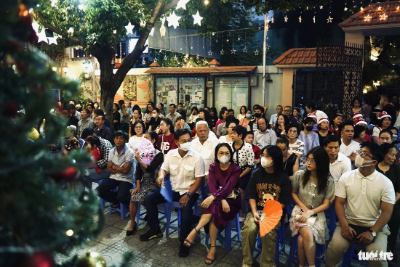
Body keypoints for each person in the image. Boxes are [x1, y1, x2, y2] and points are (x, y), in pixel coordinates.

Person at [326, 142, 396, 267]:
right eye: (360, 152)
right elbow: (339, 203)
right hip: (349, 223)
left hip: (374, 226)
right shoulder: (346, 177)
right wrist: (344, 225)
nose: (360, 156)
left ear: (374, 162)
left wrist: (372, 232)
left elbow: (387, 211)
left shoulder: (385, 183)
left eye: (365, 154)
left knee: (377, 258)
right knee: (333, 250)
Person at [140, 129, 205, 259]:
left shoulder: (197, 157)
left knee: (186, 211)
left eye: (189, 140)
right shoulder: (171, 154)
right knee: (149, 198)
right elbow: (164, 169)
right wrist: (160, 176)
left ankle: (184, 241)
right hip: (173, 189)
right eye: (183, 141)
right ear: (176, 142)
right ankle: (155, 229)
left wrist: (188, 195)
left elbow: (199, 180)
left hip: (189, 191)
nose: (187, 143)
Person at [182, 143, 241, 264]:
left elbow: (228, 187)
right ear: (216, 154)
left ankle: (195, 230)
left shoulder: (235, 169)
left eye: (226, 153)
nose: (224, 155)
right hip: (218, 199)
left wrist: (215, 197)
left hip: (232, 200)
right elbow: (212, 185)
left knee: (213, 205)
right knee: (215, 209)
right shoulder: (213, 167)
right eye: (221, 153)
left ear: (230, 155)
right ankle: (212, 248)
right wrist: (219, 198)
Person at [242, 145, 291, 267]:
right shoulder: (256, 174)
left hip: (273, 213)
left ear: (275, 159)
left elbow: (283, 201)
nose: (263, 158)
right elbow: (251, 195)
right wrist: (254, 212)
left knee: (267, 231)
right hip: (256, 210)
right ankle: (247, 262)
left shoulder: (283, 178)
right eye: (262, 155)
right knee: (249, 229)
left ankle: (267, 263)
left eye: (267, 156)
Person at [289, 147, 334, 267]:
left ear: (321, 162)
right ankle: (312, 265)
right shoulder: (300, 174)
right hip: (299, 210)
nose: (308, 163)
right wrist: (305, 209)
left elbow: (326, 204)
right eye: (307, 159)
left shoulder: (328, 180)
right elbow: (293, 193)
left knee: (301, 240)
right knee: (307, 233)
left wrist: (310, 212)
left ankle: (301, 265)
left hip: (317, 213)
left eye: (312, 160)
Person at [126, 132, 163, 236]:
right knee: (134, 195)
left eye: (147, 138)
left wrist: (139, 160)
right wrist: (137, 186)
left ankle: (152, 221)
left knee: (147, 198)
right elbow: (138, 172)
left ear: (153, 141)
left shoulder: (158, 154)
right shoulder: (141, 153)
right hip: (144, 182)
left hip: (155, 183)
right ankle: (132, 222)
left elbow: (150, 170)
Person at [376, 143, 400, 265]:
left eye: (395, 155)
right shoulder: (374, 167)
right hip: (374, 207)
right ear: (384, 153)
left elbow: (399, 192)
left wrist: (389, 204)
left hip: (392, 208)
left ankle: (389, 256)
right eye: (391, 154)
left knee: (393, 233)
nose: (393, 158)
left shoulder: (397, 169)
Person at [97, 131, 134, 208]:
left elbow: (126, 171)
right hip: (114, 177)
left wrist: (114, 166)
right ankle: (116, 201)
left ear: (125, 140)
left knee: (122, 196)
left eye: (121, 138)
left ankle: (128, 205)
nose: (118, 140)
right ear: (114, 139)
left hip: (126, 179)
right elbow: (108, 168)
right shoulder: (111, 151)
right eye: (116, 138)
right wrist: (120, 168)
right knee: (99, 190)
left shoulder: (130, 152)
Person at [230, 125, 255, 208]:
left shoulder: (248, 147)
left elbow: (250, 165)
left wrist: (239, 176)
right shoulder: (229, 146)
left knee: (240, 190)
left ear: (240, 136)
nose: (231, 135)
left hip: (245, 172)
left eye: (234, 133)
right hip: (232, 171)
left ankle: (242, 210)